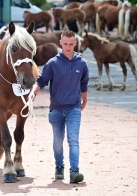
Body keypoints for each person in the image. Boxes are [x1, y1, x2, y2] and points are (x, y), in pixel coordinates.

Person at [29, 30, 89, 183]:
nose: (68, 47)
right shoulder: (52, 63)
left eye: (71, 44)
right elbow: (41, 81)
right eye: (65, 44)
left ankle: (74, 171)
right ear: (60, 43)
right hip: (56, 109)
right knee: (58, 141)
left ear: (75, 44)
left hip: (74, 108)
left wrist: (84, 100)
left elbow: (84, 84)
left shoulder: (81, 63)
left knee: (73, 140)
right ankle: (59, 167)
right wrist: (33, 93)